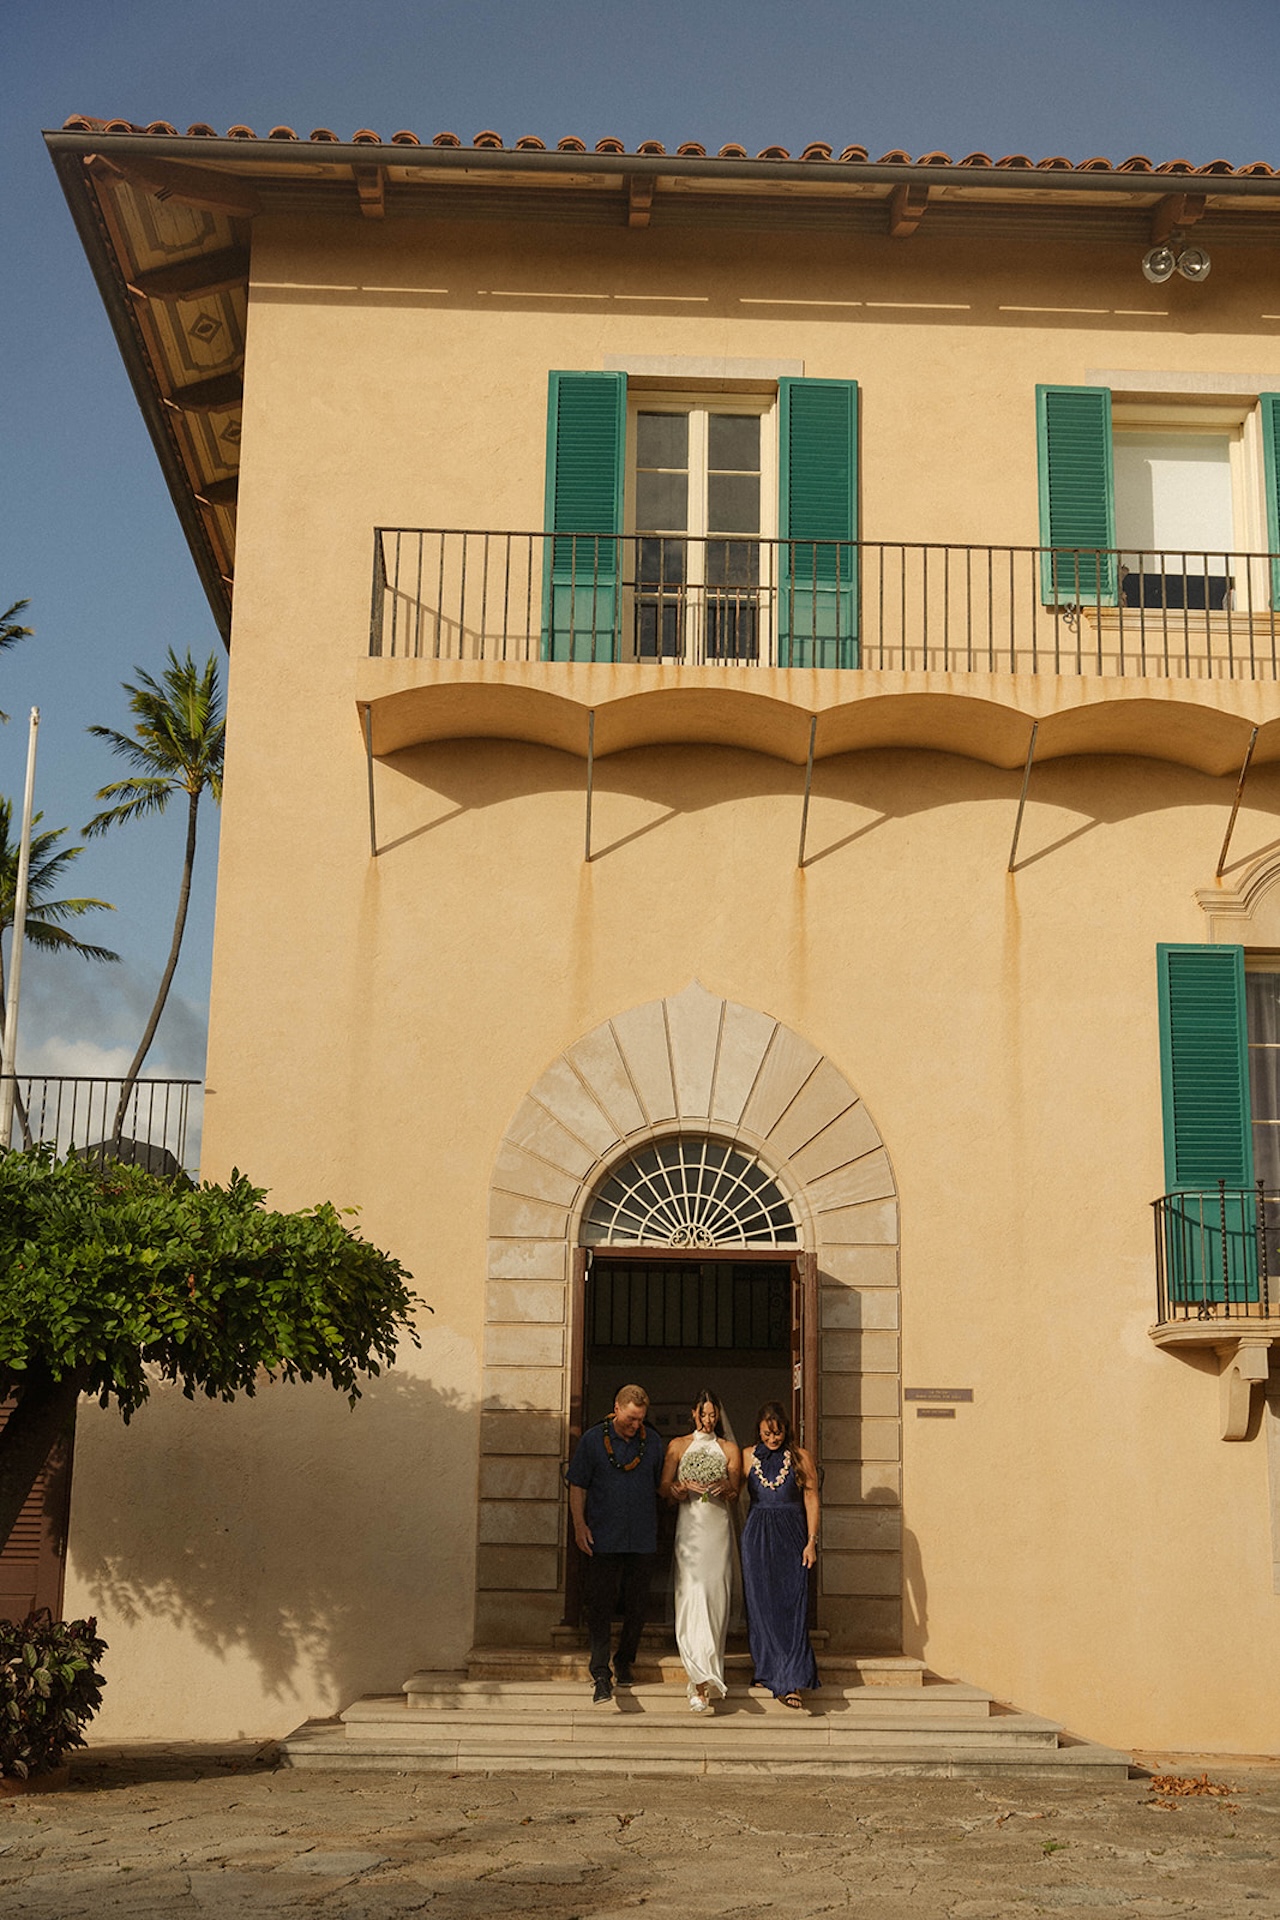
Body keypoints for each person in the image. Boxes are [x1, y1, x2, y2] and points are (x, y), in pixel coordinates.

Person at [566, 1384, 666, 1704]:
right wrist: (579, 1525)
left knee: (637, 1605)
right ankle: (600, 1672)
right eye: (631, 1418)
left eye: (640, 1419)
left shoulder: (652, 1442)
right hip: (603, 1535)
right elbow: (577, 1484)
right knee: (600, 1604)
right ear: (617, 1408)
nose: (635, 1425)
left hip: (642, 1536)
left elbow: (662, 1484)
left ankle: (625, 1660)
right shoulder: (593, 1439)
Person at [660, 1388, 742, 1714]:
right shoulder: (678, 1446)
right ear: (694, 1413)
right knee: (692, 1593)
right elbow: (664, 1488)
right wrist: (679, 1488)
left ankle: (709, 1669)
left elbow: (736, 1491)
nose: (708, 1420)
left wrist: (726, 1488)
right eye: (703, 1414)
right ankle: (698, 1678)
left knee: (714, 1595)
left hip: (717, 1527)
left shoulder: (729, 1449)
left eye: (713, 1415)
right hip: (691, 1528)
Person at [740, 1399, 820, 1709]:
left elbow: (811, 1499)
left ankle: (791, 1680)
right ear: (758, 1431)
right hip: (757, 1536)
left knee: (791, 1605)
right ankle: (766, 1670)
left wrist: (811, 1541)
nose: (772, 1439)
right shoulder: (747, 1456)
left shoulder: (800, 1457)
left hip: (792, 1535)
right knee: (761, 1605)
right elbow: (732, 1493)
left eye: (777, 1433)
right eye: (766, 1433)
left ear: (786, 1429)